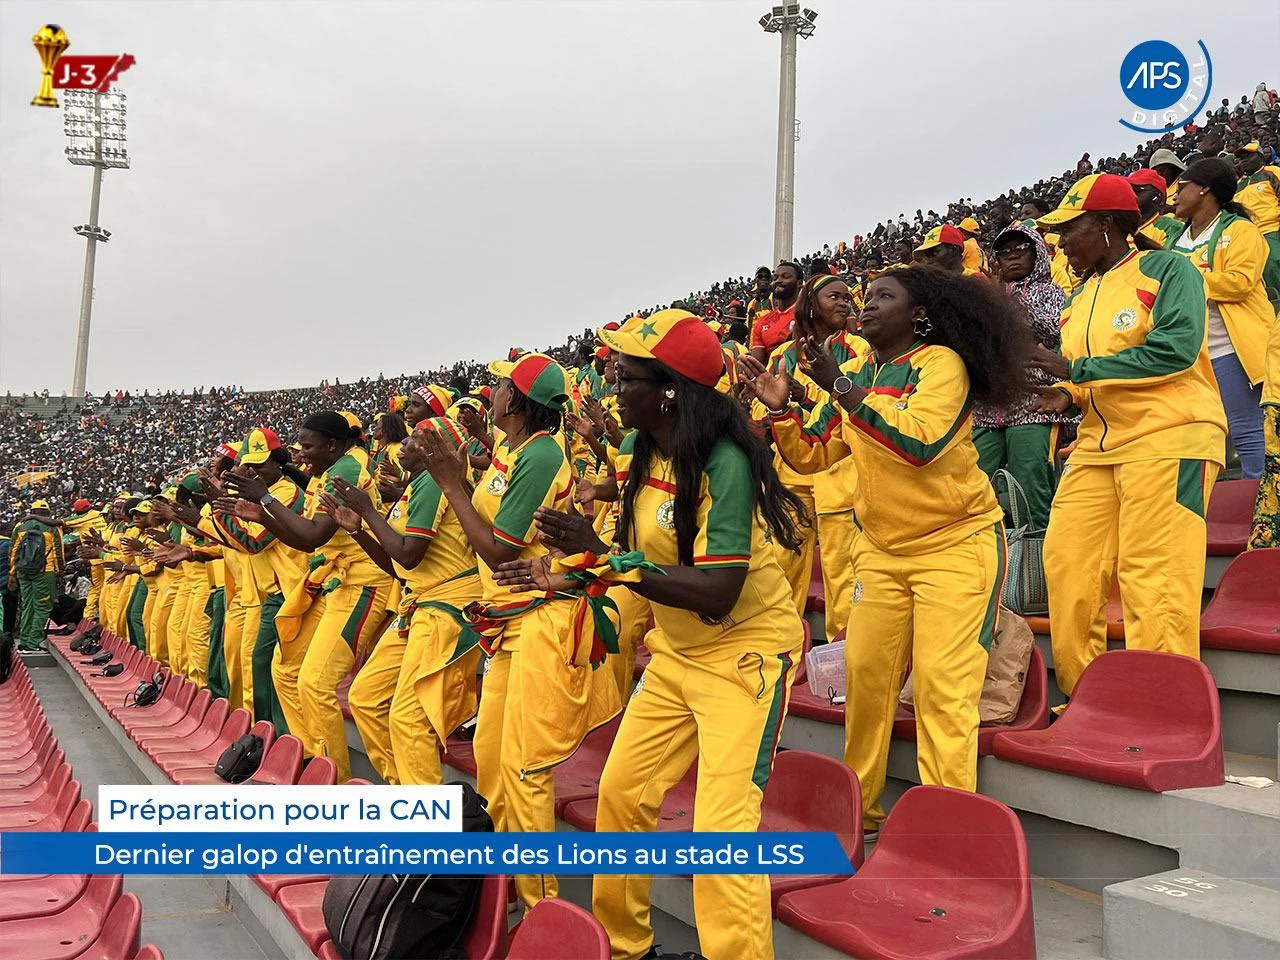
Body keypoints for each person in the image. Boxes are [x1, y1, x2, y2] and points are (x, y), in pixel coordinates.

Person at [497, 311, 807, 960]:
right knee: (621, 795)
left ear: (668, 389)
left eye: (626, 372)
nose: (611, 379)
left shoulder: (725, 463)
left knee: (723, 838)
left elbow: (718, 590)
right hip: (676, 655)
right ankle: (627, 947)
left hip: (744, 659)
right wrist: (571, 572)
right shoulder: (649, 449)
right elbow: (630, 555)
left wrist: (609, 562)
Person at [741, 265, 1028, 834]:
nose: (864, 305)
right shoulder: (855, 370)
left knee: (944, 690)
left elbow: (918, 443)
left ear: (917, 314)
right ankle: (862, 814)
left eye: (882, 297)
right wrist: (781, 411)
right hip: (883, 551)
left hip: (956, 545)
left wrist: (842, 390)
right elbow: (816, 455)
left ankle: (945, 831)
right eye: (864, 297)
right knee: (866, 683)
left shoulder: (940, 365)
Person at [418, 352, 620, 910]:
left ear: (520, 398)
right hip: (509, 619)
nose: (494, 389)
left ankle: (539, 909)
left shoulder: (541, 455)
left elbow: (497, 546)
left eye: (503, 383)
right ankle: (500, 887)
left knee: (526, 768)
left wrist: (453, 485)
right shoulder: (513, 450)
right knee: (491, 753)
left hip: (543, 618)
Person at [1032, 173, 1227, 698]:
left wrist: (1076, 368)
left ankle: (1160, 707)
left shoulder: (1168, 269)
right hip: (1098, 446)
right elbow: (1089, 371)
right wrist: (1069, 394)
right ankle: (1086, 699)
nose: (1059, 242)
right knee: (1068, 566)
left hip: (1172, 436)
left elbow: (1176, 350)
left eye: (1068, 229)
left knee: (1153, 577)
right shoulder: (1077, 298)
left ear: (1103, 224)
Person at [217, 413, 393, 782]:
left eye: (309, 445)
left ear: (332, 444)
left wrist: (265, 499)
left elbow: (313, 536)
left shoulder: (346, 473)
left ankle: (336, 781)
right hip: (333, 582)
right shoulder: (327, 472)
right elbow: (303, 536)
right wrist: (264, 515)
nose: (302, 453)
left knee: (315, 682)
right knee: (284, 669)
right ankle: (312, 754)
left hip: (363, 583)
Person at [323, 417, 483, 785]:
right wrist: (359, 531)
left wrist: (368, 510)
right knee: (364, 698)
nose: (404, 444)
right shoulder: (418, 485)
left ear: (431, 450)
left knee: (410, 718)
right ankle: (404, 790)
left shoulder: (431, 483)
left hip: (447, 606)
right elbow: (399, 566)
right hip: (420, 603)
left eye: (413, 439)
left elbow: (409, 555)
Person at [762, 275, 865, 638]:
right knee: (780, 565)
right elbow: (768, 415)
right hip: (791, 472)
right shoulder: (780, 356)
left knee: (841, 573)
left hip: (837, 473)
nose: (844, 303)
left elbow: (848, 407)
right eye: (834, 296)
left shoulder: (858, 349)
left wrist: (802, 395)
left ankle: (844, 658)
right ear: (810, 304)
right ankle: (779, 647)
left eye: (848, 298)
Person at [1166, 158, 1273, 480]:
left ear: (1204, 190)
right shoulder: (1176, 240)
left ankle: (1261, 504)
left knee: (1245, 427)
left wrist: (1187, 279)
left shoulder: (1240, 230)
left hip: (1227, 347)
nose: (1175, 196)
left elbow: (1240, 283)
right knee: (1197, 432)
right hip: (1191, 353)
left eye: (1182, 188)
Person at [974, 224, 1068, 527]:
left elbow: (1052, 330)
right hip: (987, 407)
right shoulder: (987, 295)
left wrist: (1010, 301)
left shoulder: (1050, 292)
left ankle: (1037, 558)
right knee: (974, 482)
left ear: (1037, 253)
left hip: (1034, 404)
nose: (1012, 256)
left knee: (1030, 484)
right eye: (1004, 251)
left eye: (1020, 249)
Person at [10, 501, 66, 651]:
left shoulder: (20, 526)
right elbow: (58, 553)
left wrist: (12, 573)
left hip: (23, 571)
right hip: (44, 572)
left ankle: (24, 640)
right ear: (47, 514)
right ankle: (33, 643)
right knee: (42, 607)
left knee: (27, 606)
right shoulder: (53, 528)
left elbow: (14, 551)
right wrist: (61, 573)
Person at [1233, 142, 1280, 304]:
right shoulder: (1238, 185)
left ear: (1260, 156)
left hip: (1271, 229)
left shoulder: (1272, 172)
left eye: (1248, 156)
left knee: (1272, 265)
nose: (1243, 161)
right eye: (1240, 159)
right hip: (1247, 237)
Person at [749, 261, 802, 363]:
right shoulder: (762, 322)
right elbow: (757, 364)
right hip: (771, 375)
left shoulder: (809, 314)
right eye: (775, 278)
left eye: (785, 276)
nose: (778, 280)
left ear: (799, 283)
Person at [1128, 169, 1183, 247]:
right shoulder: (1120, 228)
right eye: (1128, 189)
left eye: (1137, 190)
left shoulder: (1173, 228)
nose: (1131, 194)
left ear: (1158, 197)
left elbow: (1170, 258)